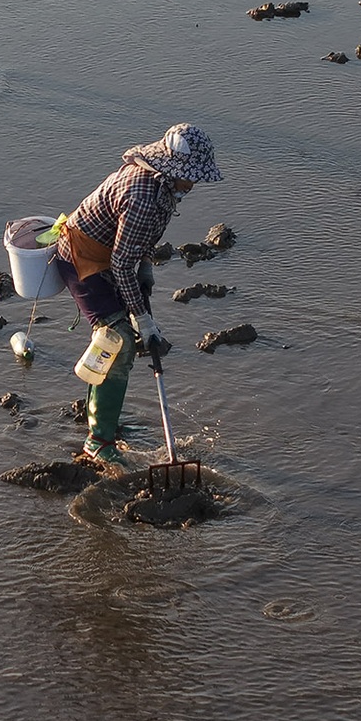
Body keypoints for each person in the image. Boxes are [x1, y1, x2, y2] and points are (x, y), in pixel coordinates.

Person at [53, 124, 225, 470]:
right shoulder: (143, 195)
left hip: (110, 255)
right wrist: (142, 320)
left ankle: (104, 420)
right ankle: (98, 441)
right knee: (119, 342)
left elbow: (132, 244)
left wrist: (145, 266)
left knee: (120, 340)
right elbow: (120, 264)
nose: (193, 184)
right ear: (174, 170)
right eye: (190, 177)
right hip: (82, 258)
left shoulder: (159, 183)